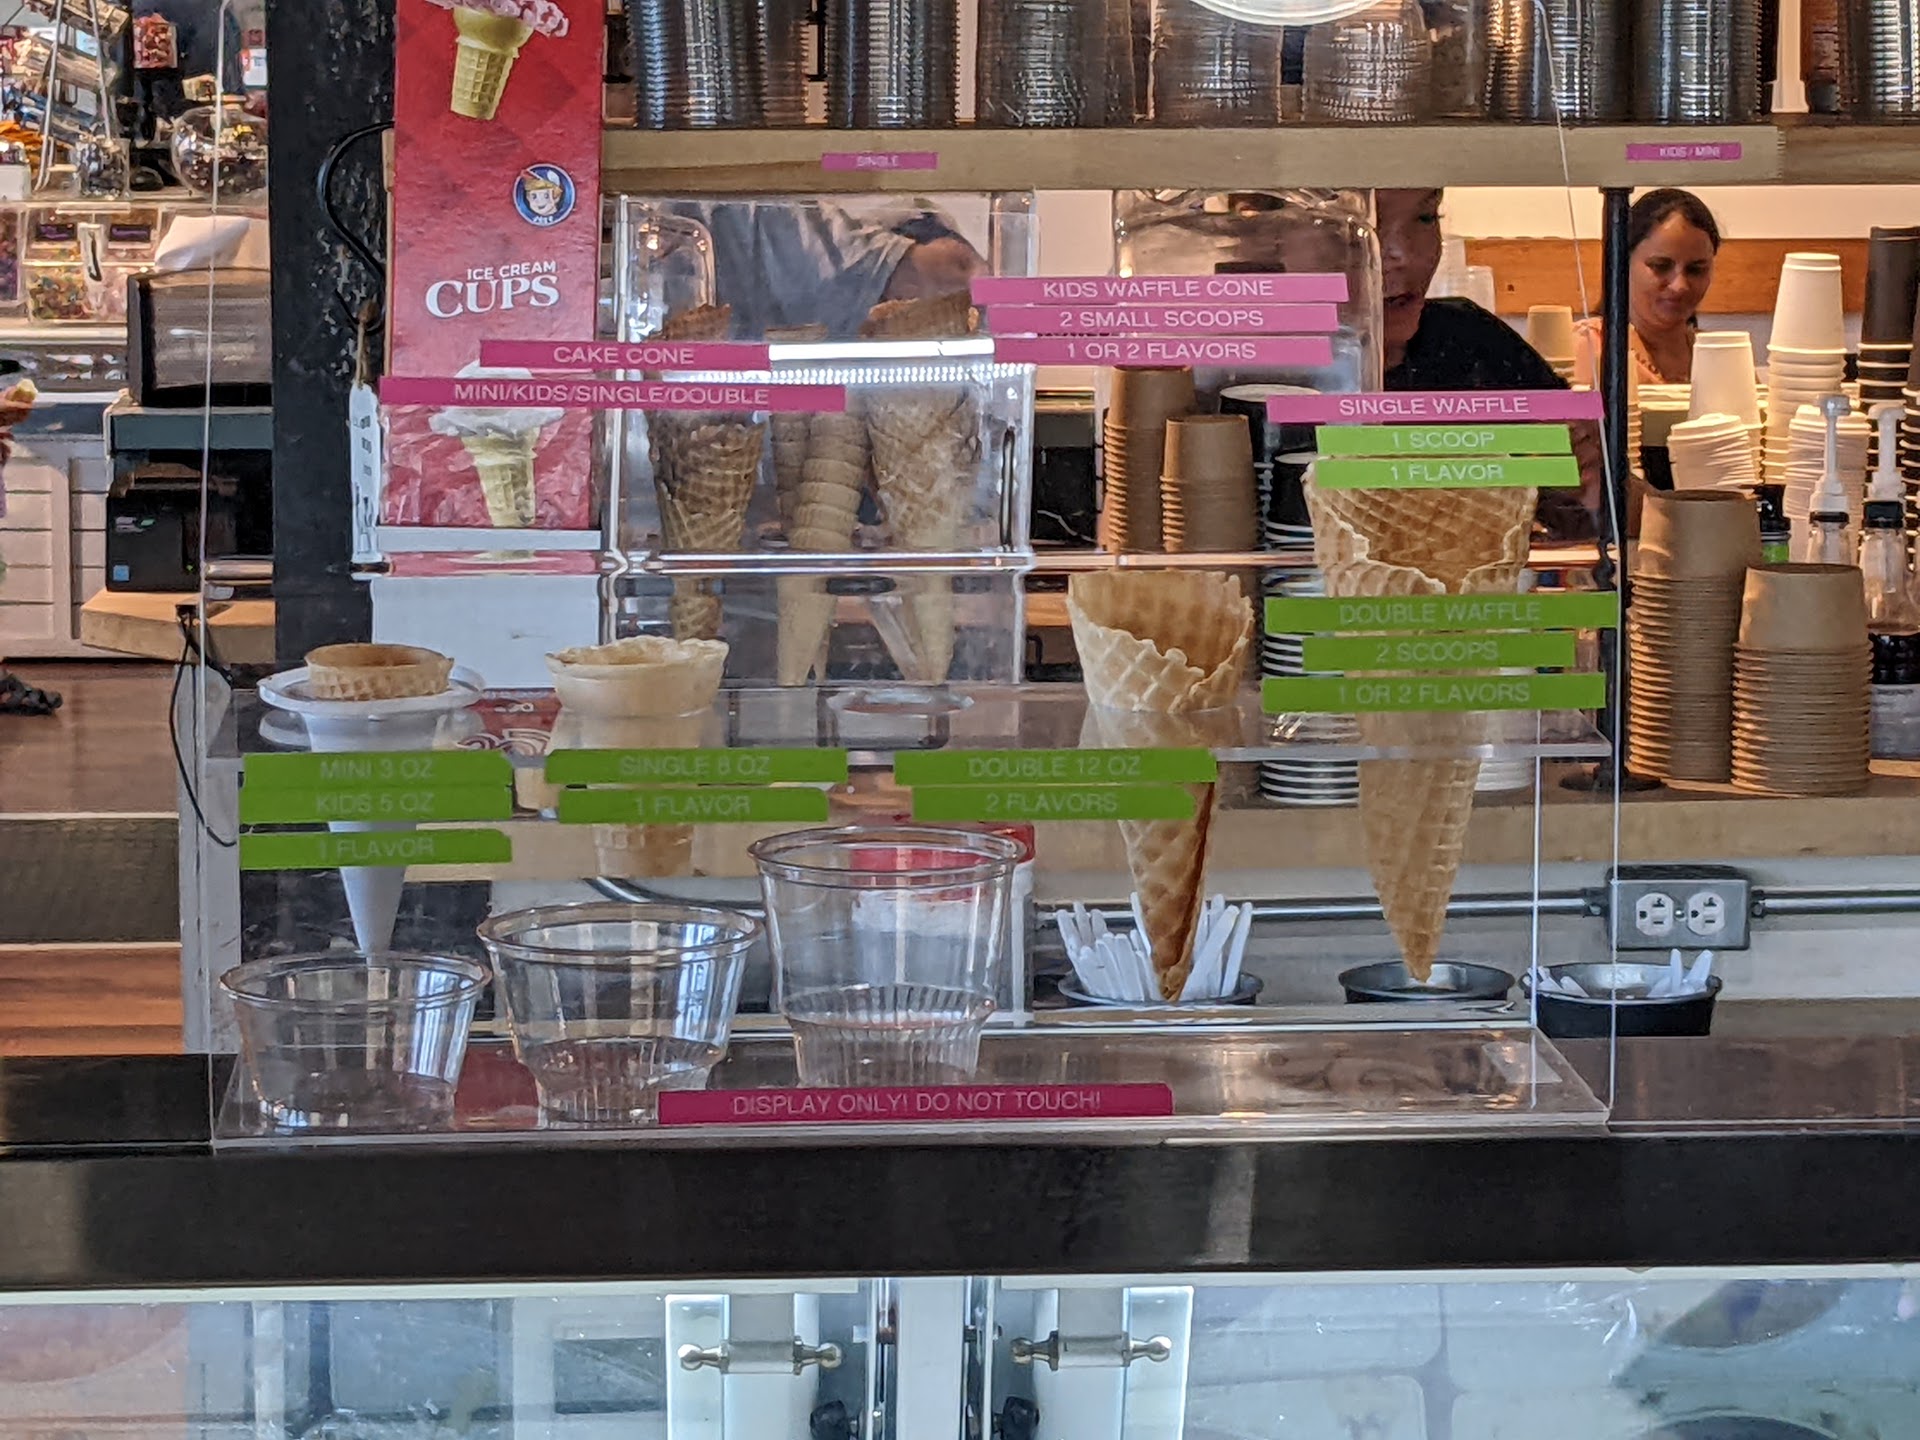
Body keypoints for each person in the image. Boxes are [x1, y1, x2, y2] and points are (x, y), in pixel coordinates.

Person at [1376, 187, 1605, 537]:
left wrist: (1585, 477)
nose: (1406, 255)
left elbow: (1619, 510)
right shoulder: (1287, 377)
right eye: (1370, 225)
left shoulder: (1471, 341)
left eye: (1425, 217)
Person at [1572, 188, 1722, 386]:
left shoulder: (1719, 354)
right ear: (1622, 262)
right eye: (1660, 266)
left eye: (1696, 270)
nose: (1679, 286)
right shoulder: (1590, 347)